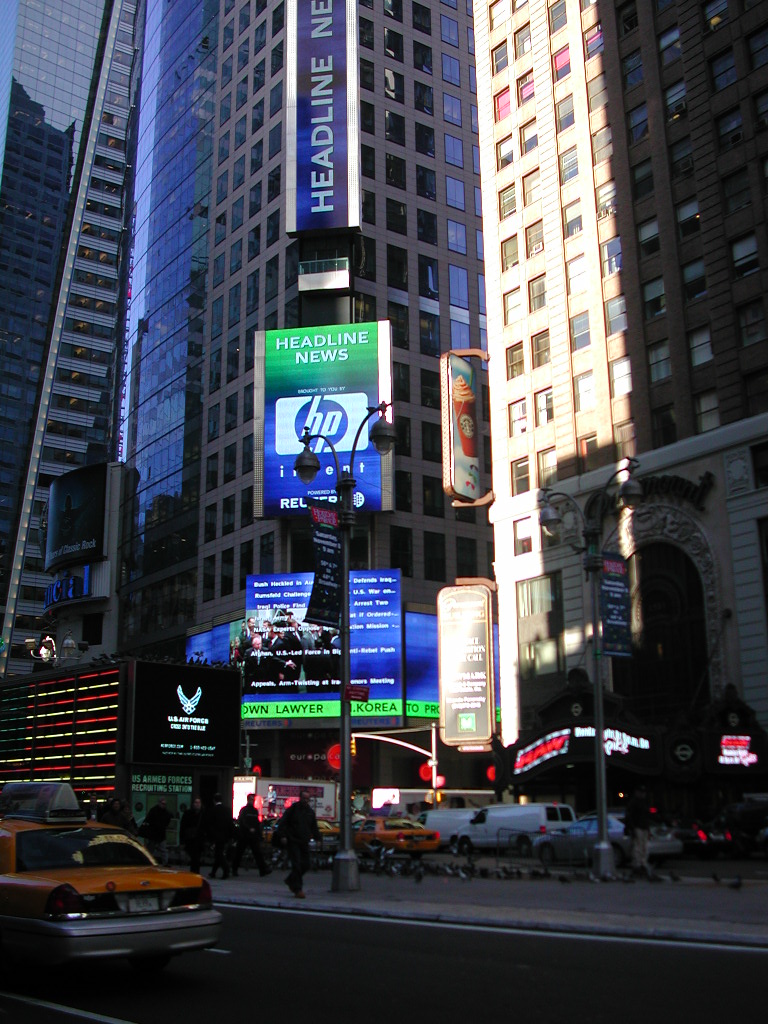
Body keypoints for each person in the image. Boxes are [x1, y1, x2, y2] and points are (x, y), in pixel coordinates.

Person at [274, 789, 320, 898]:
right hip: (293, 840)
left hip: (304, 841)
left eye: (307, 799)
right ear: (300, 798)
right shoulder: (293, 810)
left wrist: (318, 838)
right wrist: (283, 836)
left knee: (306, 864)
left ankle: (291, 880)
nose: (305, 800)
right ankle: (297, 889)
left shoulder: (310, 812)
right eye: (304, 798)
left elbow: (314, 826)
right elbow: (283, 823)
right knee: (297, 864)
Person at [231, 793, 272, 877]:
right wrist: (249, 828)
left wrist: (257, 831)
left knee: (257, 853)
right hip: (244, 835)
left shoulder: (253, 810)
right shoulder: (245, 810)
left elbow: (256, 822)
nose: (253, 801)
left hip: (251, 835)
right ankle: (234, 870)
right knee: (240, 853)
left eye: (253, 800)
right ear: (248, 800)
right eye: (251, 799)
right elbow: (242, 821)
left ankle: (263, 870)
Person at [624, 784, 653, 877]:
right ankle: (637, 864)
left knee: (644, 846)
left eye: (643, 792)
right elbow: (629, 816)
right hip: (638, 827)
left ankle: (643, 863)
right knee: (638, 846)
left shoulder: (644, 803)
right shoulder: (634, 803)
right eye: (641, 792)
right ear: (637, 792)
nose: (643, 794)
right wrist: (631, 828)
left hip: (644, 827)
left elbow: (647, 816)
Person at [206, 792, 234, 879]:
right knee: (219, 853)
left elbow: (210, 824)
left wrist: (210, 837)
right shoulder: (227, 810)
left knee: (218, 854)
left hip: (217, 835)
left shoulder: (213, 810)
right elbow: (230, 823)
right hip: (225, 835)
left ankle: (226, 869)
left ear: (214, 800)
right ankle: (213, 872)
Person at [143, 797, 172, 864]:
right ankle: (151, 862)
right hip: (155, 833)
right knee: (155, 849)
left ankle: (164, 862)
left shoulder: (156, 811)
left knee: (161, 849)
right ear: (159, 803)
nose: (164, 805)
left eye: (164, 804)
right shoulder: (156, 811)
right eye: (163, 803)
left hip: (159, 833)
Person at [180, 796, 206, 873]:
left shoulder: (203, 814)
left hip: (198, 839)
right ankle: (195, 872)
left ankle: (195, 872)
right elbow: (183, 827)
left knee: (196, 858)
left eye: (199, 802)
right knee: (194, 857)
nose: (197, 804)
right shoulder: (188, 814)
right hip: (191, 839)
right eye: (196, 802)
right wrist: (182, 840)